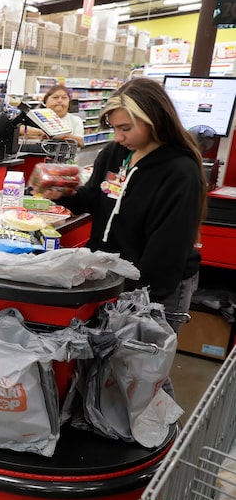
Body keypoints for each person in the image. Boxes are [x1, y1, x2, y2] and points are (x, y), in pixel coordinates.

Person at [42, 77, 206, 335]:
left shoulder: (180, 171)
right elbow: (94, 199)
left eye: (125, 128)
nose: (118, 137)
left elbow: (167, 250)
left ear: (154, 120)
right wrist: (61, 192)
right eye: (114, 128)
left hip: (154, 285)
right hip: (110, 275)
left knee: (140, 366)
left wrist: (133, 297)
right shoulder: (116, 153)